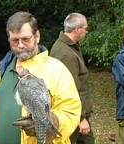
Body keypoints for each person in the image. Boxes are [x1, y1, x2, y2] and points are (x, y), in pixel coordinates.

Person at [0, 11, 82, 144]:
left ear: (37, 36)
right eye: (15, 40)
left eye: (25, 39)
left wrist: (50, 123)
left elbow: (71, 112)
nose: (20, 45)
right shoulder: (1, 69)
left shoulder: (56, 70)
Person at [50, 13, 94, 144]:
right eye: (85, 28)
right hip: (71, 114)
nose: (87, 31)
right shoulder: (65, 54)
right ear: (77, 29)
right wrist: (81, 118)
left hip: (72, 113)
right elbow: (71, 89)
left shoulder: (67, 46)